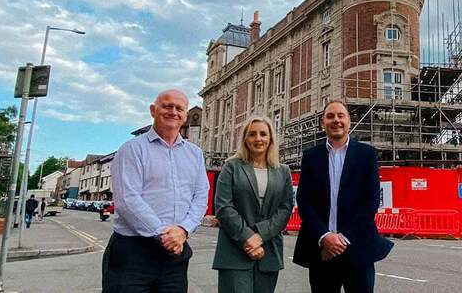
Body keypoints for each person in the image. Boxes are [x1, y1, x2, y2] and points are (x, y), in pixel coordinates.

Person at [102, 89, 209, 293]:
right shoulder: (132, 149)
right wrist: (165, 235)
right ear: (153, 110)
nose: (173, 112)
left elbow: (200, 196)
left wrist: (184, 230)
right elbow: (128, 200)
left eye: (179, 108)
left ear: (185, 115)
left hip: (175, 254)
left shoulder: (194, 154)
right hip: (133, 252)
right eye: (167, 106)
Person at [293, 100, 393, 293]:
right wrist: (325, 236)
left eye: (341, 115)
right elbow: (304, 202)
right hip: (322, 251)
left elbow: (370, 202)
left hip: (358, 249)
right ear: (323, 123)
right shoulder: (311, 156)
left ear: (349, 121)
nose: (336, 120)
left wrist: (342, 238)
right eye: (330, 116)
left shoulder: (367, 154)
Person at [212, 115, 294, 293]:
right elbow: (223, 207)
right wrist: (247, 238)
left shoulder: (283, 171)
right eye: (252, 134)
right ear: (245, 139)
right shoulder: (231, 167)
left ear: (271, 138)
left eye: (263, 134)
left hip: (269, 251)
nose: (258, 139)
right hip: (234, 251)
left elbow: (285, 208)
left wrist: (260, 235)